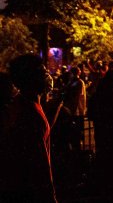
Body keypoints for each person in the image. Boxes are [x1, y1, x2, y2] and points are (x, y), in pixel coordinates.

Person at [0, 54, 56, 202]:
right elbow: (39, 165)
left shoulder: (22, 105)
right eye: (42, 72)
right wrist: (50, 196)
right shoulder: (31, 114)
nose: (47, 75)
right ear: (32, 78)